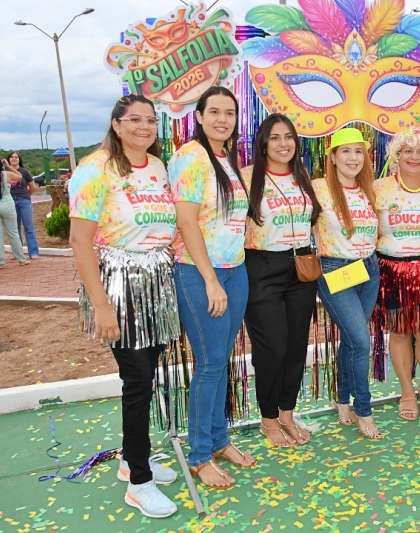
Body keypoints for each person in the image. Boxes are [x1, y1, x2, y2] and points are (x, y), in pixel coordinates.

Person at [68, 94, 179, 518]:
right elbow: (80, 241)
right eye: (134, 119)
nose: (144, 127)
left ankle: (132, 459)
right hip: (119, 286)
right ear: (116, 124)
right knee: (137, 382)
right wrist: (101, 305)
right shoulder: (95, 169)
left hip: (156, 286)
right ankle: (139, 483)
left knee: (146, 376)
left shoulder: (158, 167)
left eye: (151, 120)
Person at [169, 87, 256, 488]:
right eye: (215, 112)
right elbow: (187, 222)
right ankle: (200, 455)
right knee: (209, 364)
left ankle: (219, 440)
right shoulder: (191, 156)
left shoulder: (226, 159)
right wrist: (209, 279)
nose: (223, 119)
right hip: (200, 273)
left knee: (220, 360)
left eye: (230, 113)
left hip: (234, 271)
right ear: (199, 116)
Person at [243, 113, 321, 446]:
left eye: (288, 136)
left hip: (301, 266)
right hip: (262, 267)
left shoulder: (302, 175)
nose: (283, 143)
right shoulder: (246, 177)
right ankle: (268, 418)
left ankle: (287, 412)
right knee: (272, 347)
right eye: (274, 137)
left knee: (295, 346)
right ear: (263, 143)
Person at [374, 128, 420, 421]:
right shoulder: (379, 188)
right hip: (392, 271)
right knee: (400, 331)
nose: (414, 157)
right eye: (408, 151)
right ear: (397, 155)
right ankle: (406, 390)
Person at [313, 128, 381, 438]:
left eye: (358, 151)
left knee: (352, 340)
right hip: (335, 271)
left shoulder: (369, 189)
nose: (353, 158)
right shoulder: (318, 189)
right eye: (346, 151)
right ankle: (363, 410)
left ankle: (342, 399)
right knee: (361, 342)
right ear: (333, 156)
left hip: (368, 270)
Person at [0, 154, 29, 268]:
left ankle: (0, 262)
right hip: (7, 205)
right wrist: (8, 166)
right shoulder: (7, 174)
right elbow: (20, 176)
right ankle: (21, 259)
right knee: (13, 233)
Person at [6, 151, 40, 260]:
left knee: (28, 227)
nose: (14, 158)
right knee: (14, 228)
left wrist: (26, 196)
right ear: (8, 159)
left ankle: (33, 252)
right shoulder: (5, 172)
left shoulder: (24, 172)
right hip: (10, 201)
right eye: (12, 157)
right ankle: (16, 252)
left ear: (19, 159)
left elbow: (33, 187)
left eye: (16, 157)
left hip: (24, 200)